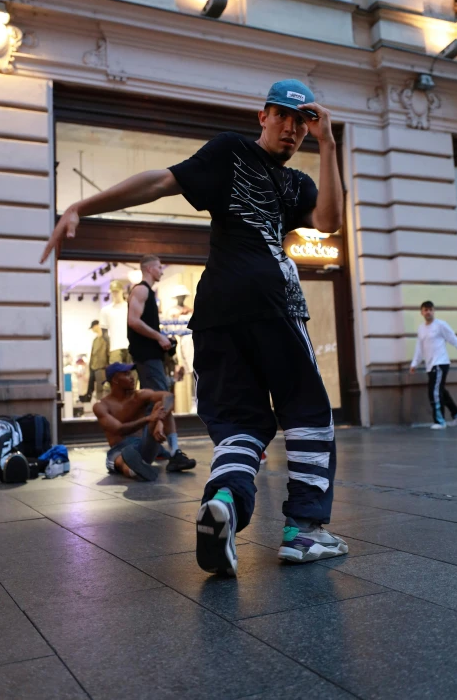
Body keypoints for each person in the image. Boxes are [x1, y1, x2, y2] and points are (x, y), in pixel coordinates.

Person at [41, 78, 348, 576]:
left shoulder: (298, 185)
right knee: (308, 411)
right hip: (271, 304)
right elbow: (160, 181)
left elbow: (330, 221)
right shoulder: (230, 152)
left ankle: (224, 500)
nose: (292, 129)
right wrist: (82, 205)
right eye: (283, 117)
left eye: (303, 123)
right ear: (262, 115)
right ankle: (305, 531)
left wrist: (329, 143)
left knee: (241, 423)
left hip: (216, 314)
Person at [127, 255, 196, 472]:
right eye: (158, 267)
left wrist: (161, 338)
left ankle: (150, 452)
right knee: (164, 401)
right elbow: (133, 321)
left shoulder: (148, 292)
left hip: (151, 356)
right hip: (147, 356)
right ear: (148, 268)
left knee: (156, 404)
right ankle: (172, 453)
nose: (161, 271)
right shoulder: (141, 290)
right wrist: (158, 337)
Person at [94, 362, 187, 480]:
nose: (132, 377)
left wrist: (159, 420)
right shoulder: (102, 406)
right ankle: (135, 470)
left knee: (161, 404)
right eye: (127, 374)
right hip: (120, 448)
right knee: (122, 460)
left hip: (144, 443)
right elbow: (119, 429)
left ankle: (175, 453)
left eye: (131, 374)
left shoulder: (140, 395)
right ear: (115, 380)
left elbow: (168, 396)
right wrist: (149, 418)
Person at [410, 300, 457, 429]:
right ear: (421, 312)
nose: (428, 312)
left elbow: (454, 340)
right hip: (430, 365)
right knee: (440, 391)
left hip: (440, 363)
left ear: (434, 311)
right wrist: (414, 363)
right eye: (425, 310)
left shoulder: (441, 325)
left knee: (434, 392)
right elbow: (419, 348)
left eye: (430, 309)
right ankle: (456, 413)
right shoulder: (421, 328)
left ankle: (440, 421)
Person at [80, 320, 109, 403]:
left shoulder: (105, 339)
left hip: (102, 368)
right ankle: (100, 405)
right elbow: (93, 355)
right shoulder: (95, 340)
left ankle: (103, 405)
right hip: (94, 368)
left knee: (102, 389)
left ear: (96, 326)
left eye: (92, 327)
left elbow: (108, 353)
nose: (92, 330)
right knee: (95, 389)